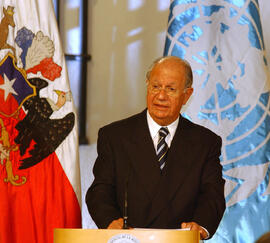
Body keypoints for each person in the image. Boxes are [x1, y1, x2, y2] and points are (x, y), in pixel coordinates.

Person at [86, 56, 225, 239]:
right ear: (147, 85)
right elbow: (100, 190)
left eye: (171, 89)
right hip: (128, 240)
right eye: (155, 86)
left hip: (178, 241)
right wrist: (111, 221)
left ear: (187, 95)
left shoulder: (205, 142)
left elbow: (212, 195)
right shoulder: (115, 136)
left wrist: (199, 226)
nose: (160, 96)